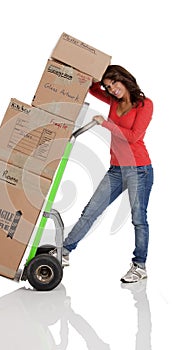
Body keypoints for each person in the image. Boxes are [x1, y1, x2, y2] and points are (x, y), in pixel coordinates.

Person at [51, 65, 154, 283]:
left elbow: (134, 137)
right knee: (90, 211)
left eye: (115, 83)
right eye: (108, 86)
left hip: (139, 169)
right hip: (116, 169)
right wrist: (93, 77)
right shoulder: (114, 101)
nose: (112, 89)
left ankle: (139, 266)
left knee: (138, 219)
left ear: (124, 79)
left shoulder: (145, 105)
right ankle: (65, 251)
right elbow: (92, 89)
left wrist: (105, 124)